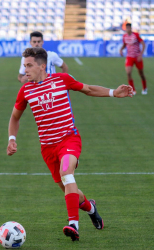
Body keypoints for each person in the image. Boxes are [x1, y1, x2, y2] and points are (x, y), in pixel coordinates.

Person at [7, 47, 133, 241]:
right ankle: (90, 208)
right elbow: (15, 118)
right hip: (47, 148)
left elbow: (88, 89)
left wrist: (113, 93)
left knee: (67, 174)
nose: (25, 70)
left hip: (68, 139)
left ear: (42, 65)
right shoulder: (26, 90)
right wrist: (12, 140)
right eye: (24, 66)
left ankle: (73, 224)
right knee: (68, 188)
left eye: (29, 65)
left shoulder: (61, 80)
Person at [119, 23, 147, 95]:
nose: (128, 29)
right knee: (128, 73)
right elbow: (125, 44)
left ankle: (144, 88)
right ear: (126, 29)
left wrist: (141, 55)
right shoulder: (124, 36)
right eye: (127, 28)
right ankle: (133, 90)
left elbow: (143, 44)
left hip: (137, 57)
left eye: (129, 28)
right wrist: (121, 49)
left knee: (141, 73)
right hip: (129, 57)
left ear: (131, 28)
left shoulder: (136, 35)